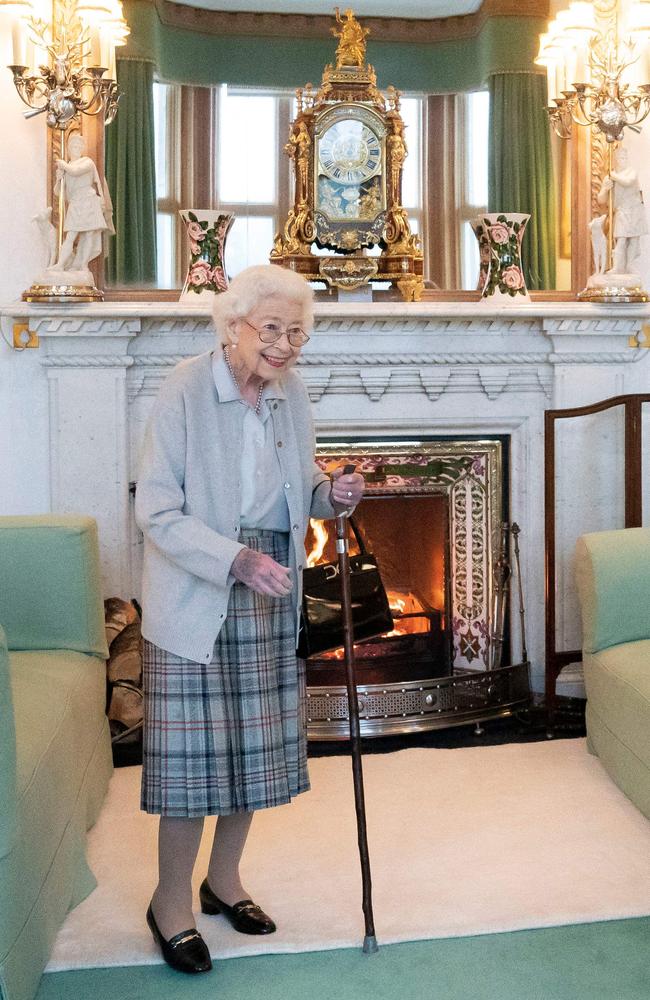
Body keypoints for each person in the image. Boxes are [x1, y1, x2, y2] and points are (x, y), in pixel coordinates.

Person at [135, 264, 365, 975]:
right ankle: (170, 902)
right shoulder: (184, 389)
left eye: (297, 333)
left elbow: (298, 493)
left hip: (270, 584)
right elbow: (156, 511)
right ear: (231, 325)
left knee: (254, 757)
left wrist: (336, 493)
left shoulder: (289, 394)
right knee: (191, 767)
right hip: (202, 584)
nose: (285, 346)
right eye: (271, 329)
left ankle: (223, 881)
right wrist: (232, 560)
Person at [51, 132, 114, 273]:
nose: (76, 147)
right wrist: (58, 179)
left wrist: (64, 166)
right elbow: (58, 192)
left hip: (89, 201)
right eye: (73, 145)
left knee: (89, 234)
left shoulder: (87, 162)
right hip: (75, 203)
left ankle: (83, 265)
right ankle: (60, 264)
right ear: (68, 147)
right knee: (71, 236)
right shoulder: (66, 167)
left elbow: (76, 171)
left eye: (79, 145)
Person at [597, 146, 648, 275]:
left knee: (633, 240)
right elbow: (601, 200)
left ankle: (629, 265)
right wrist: (605, 189)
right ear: (615, 160)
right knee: (621, 238)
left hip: (635, 209)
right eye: (619, 158)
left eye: (624, 158)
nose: (622, 160)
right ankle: (618, 267)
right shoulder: (610, 177)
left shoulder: (630, 172)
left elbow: (627, 182)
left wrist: (614, 176)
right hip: (622, 211)